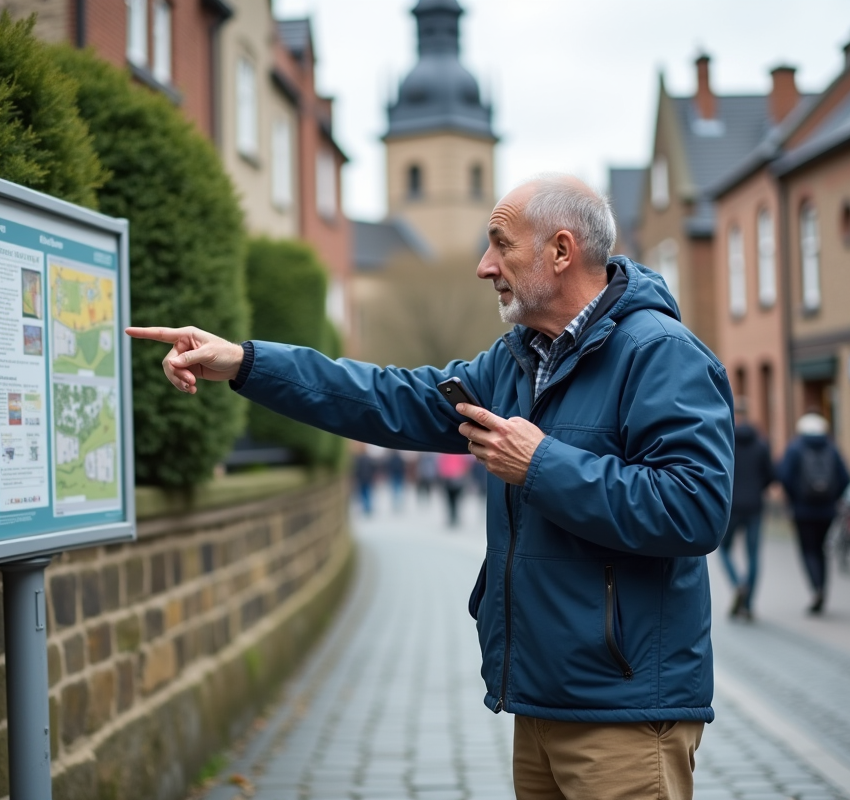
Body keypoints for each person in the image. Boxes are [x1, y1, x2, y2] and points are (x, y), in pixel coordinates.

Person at [127, 175, 734, 799]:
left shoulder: (661, 353)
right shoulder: (520, 358)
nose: (483, 266)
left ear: (561, 250)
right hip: (541, 700)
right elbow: (388, 397)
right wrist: (249, 364)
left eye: (500, 245)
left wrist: (541, 463)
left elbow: (695, 509)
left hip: (625, 714)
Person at [778, 412, 850, 615]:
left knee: (808, 550)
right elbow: (845, 478)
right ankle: (823, 589)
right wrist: (833, 498)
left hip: (802, 511)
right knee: (821, 550)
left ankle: (816, 588)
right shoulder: (831, 447)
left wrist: (794, 498)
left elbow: (784, 475)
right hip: (827, 511)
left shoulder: (795, 447)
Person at [718, 398, 774, 621]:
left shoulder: (726, 442)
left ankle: (738, 584)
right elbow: (771, 475)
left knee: (724, 549)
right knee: (753, 556)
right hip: (754, 506)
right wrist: (757, 489)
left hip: (732, 507)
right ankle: (749, 603)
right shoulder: (761, 444)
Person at [437, 451, 472, 527]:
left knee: (453, 500)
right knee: (452, 500)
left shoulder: (447, 454)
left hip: (454, 479)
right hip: (451, 479)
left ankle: (453, 516)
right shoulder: (458, 454)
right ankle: (453, 516)